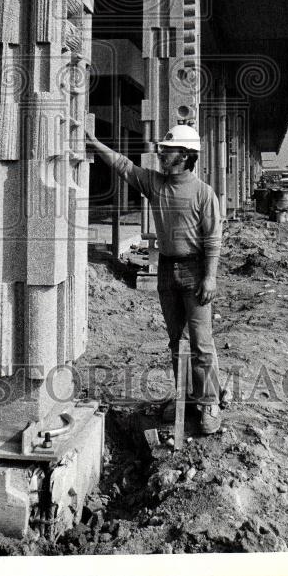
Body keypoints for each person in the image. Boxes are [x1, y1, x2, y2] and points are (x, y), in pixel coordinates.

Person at [85, 121, 223, 435]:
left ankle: (209, 402)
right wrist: (94, 141)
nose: (161, 154)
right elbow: (123, 165)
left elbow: (214, 239)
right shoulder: (156, 184)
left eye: (168, 150)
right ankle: (186, 398)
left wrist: (210, 277)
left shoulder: (203, 194)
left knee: (201, 343)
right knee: (177, 342)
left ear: (186, 155)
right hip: (166, 269)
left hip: (195, 270)